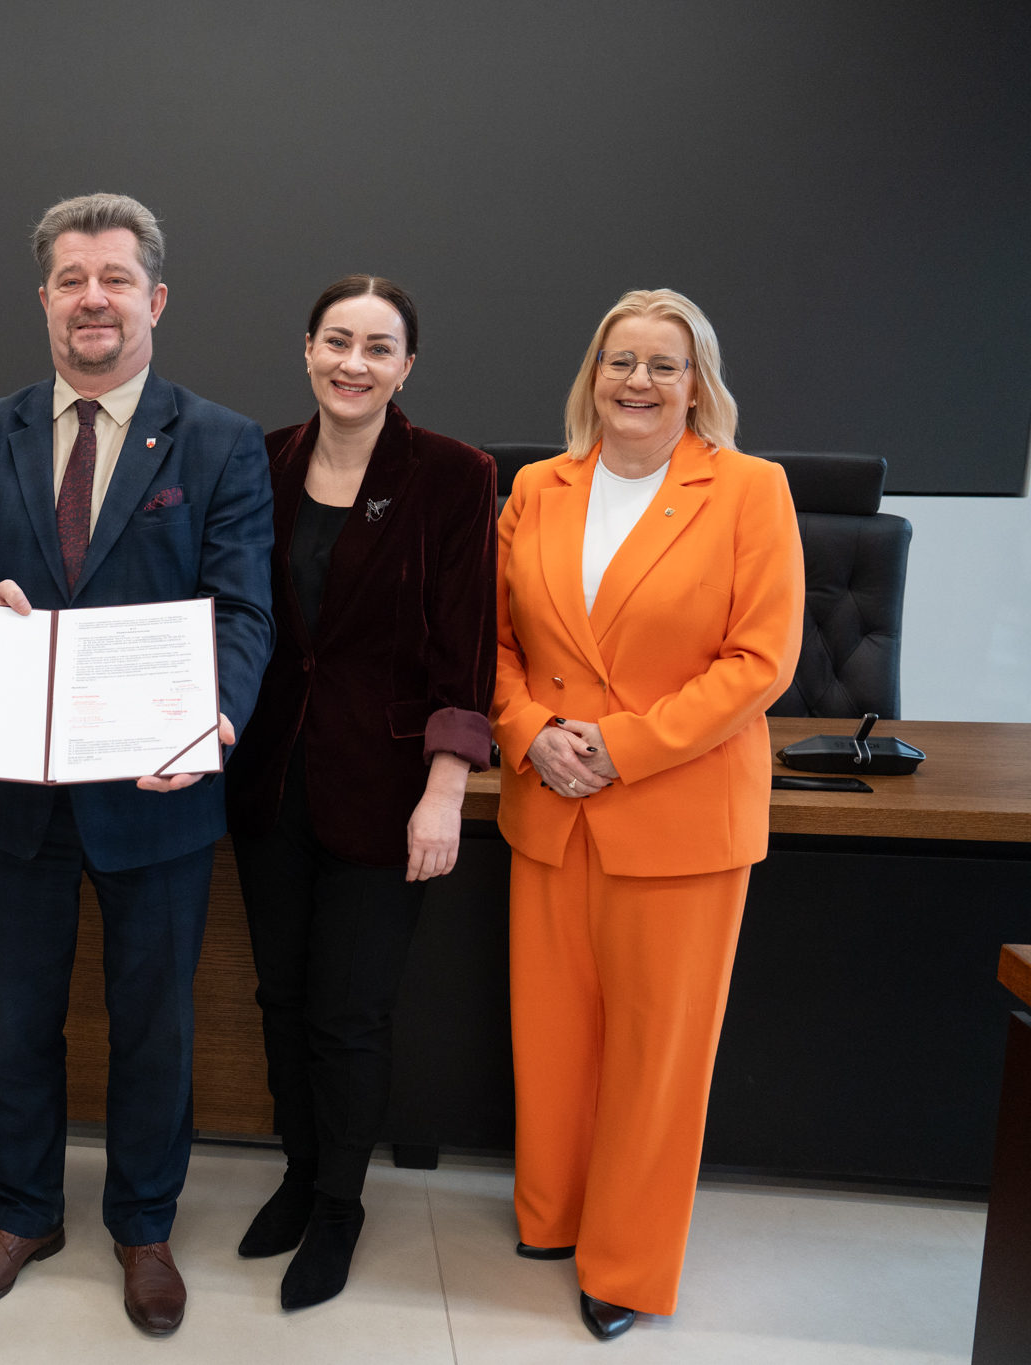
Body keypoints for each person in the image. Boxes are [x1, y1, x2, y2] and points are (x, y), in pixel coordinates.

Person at [0, 193, 274, 1337]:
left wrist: (214, 721)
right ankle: (23, 1212)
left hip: (156, 793)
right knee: (13, 1024)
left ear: (154, 298)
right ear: (42, 298)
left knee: (153, 1027)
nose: (91, 299)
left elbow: (242, 609)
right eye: (69, 280)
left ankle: (142, 1227)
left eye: (113, 279)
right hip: (11, 793)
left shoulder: (218, 441)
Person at [493, 288, 802, 1339]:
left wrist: (620, 747)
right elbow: (490, 639)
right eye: (619, 361)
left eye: (663, 365)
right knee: (552, 1034)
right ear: (592, 376)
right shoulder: (538, 487)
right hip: (550, 803)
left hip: (676, 812)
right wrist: (529, 729)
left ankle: (623, 1264)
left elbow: (759, 661)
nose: (637, 381)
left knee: (656, 1054)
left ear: (696, 385)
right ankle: (552, 1214)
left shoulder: (749, 490)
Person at [223, 274, 495, 1310]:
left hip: (387, 789)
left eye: (378, 347)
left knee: (348, 1011)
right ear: (306, 349)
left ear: (405, 367)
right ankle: (299, 1173)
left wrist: (445, 786)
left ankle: (340, 1204)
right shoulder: (257, 461)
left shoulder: (454, 475)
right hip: (267, 779)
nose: (353, 363)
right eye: (337, 341)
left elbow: (466, 644)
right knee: (281, 997)